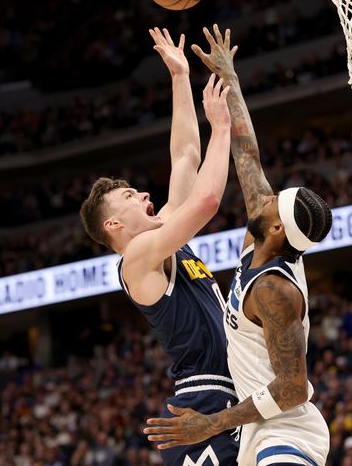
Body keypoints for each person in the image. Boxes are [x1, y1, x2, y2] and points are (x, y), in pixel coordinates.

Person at [145, 25, 333, 466]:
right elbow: (248, 156)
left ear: (278, 231)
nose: (265, 198)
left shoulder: (275, 290)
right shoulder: (260, 240)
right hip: (258, 432)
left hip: (287, 432)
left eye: (272, 204)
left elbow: (293, 388)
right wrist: (230, 80)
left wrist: (209, 425)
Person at [79, 28, 237, 466]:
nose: (145, 196)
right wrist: (221, 129)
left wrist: (179, 77)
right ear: (112, 224)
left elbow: (186, 155)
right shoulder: (137, 259)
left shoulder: (162, 236)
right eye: (131, 197)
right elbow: (206, 201)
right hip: (204, 399)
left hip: (234, 392)